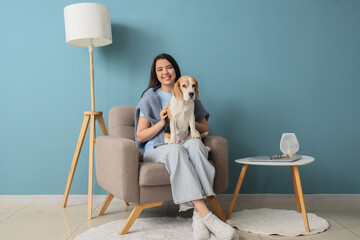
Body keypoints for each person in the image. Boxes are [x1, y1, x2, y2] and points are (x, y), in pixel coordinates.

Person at [135, 53, 236, 240]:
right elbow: (140, 136)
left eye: (169, 67)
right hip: (157, 148)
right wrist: (163, 120)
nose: (165, 72)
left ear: (175, 70)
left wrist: (187, 119)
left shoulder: (190, 93)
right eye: (160, 69)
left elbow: (205, 127)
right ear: (155, 74)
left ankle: (198, 218)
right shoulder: (150, 97)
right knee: (176, 150)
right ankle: (207, 215)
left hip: (185, 139)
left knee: (197, 146)